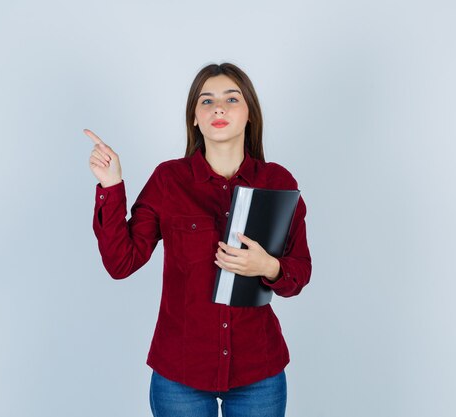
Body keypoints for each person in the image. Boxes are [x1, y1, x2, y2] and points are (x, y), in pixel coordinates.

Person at [84, 62, 312, 417]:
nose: (218, 108)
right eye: (206, 101)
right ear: (194, 117)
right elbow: (121, 262)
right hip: (180, 373)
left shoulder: (277, 180)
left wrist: (267, 266)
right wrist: (112, 185)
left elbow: (299, 272)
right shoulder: (168, 180)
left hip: (258, 372)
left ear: (250, 113)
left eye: (231, 99)